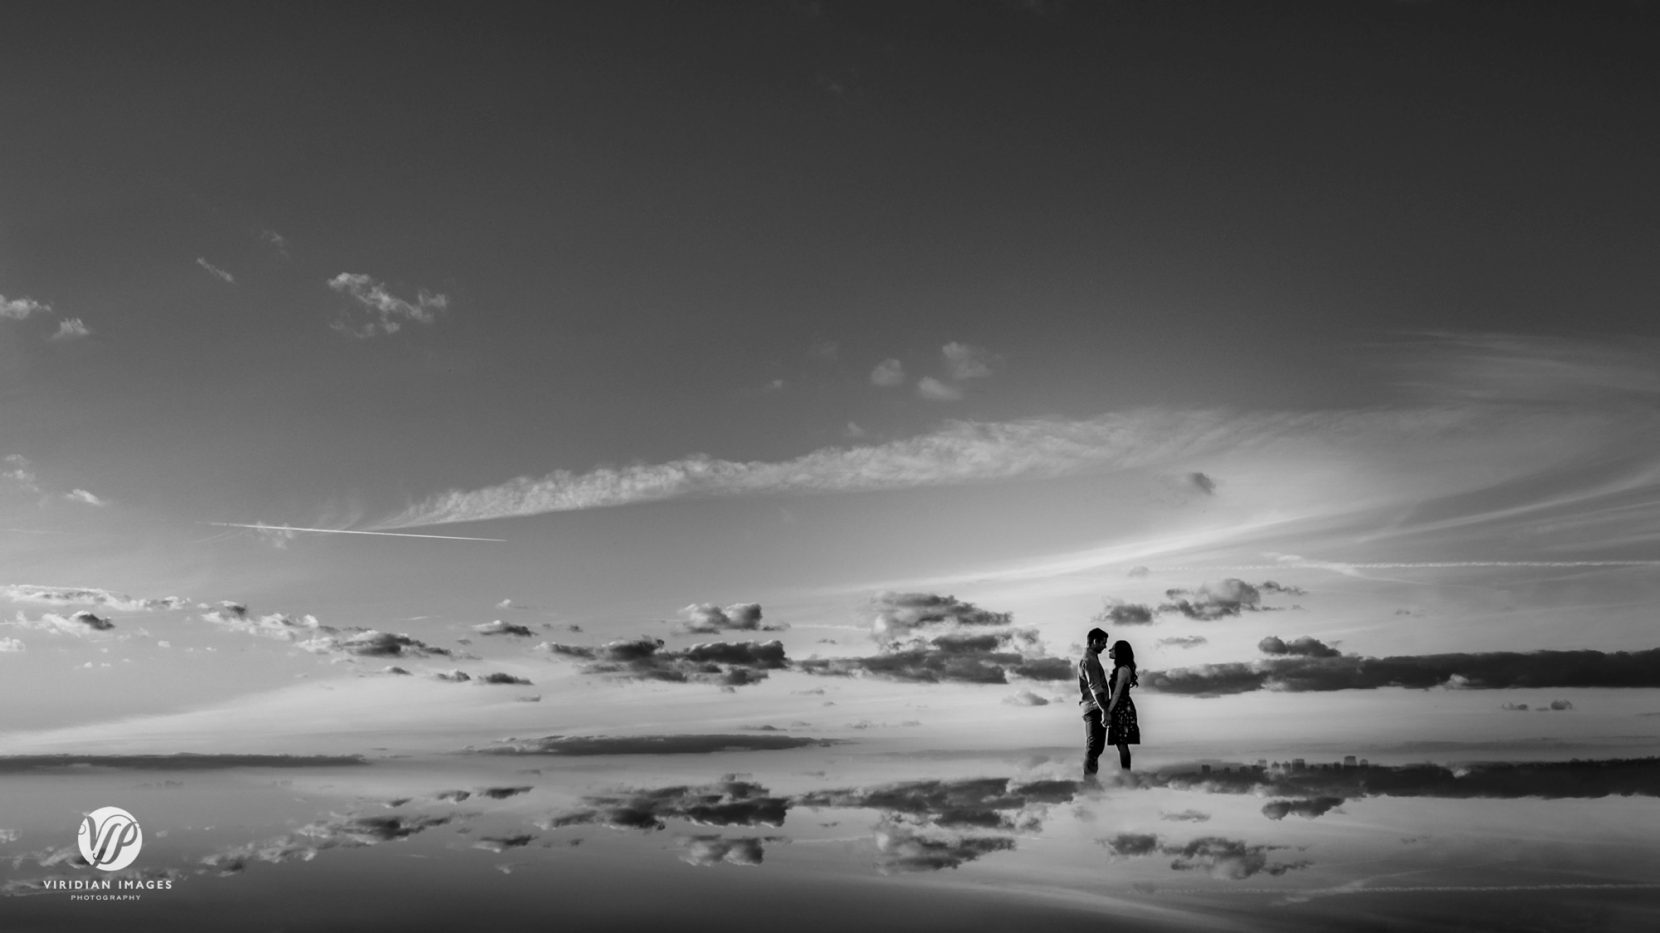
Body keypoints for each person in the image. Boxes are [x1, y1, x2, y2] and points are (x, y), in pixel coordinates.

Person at [1077, 627, 1110, 776]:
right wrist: (1104, 710)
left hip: (1095, 708)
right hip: (1094, 708)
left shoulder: (1091, 658)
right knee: (1093, 747)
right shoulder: (1089, 661)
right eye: (1103, 643)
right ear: (1095, 641)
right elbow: (1095, 687)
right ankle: (1089, 783)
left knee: (1096, 747)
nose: (1105, 646)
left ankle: (1091, 781)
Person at [1104, 639, 1141, 771]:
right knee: (1121, 743)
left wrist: (1107, 711)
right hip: (1121, 706)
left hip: (1121, 708)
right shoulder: (1122, 669)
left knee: (1122, 742)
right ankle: (1126, 773)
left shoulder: (1122, 670)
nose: (1109, 651)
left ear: (1119, 652)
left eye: (1113, 649)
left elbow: (1116, 693)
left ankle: (1126, 773)